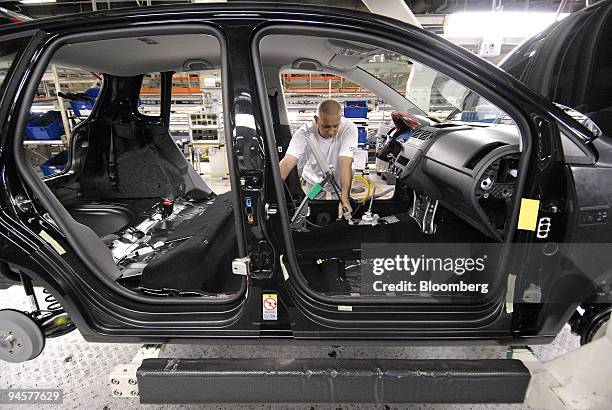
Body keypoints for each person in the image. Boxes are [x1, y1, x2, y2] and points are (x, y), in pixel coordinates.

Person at [279, 99, 358, 219]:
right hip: (315, 180)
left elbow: (345, 164)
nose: (331, 132)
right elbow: (286, 164)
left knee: (342, 210)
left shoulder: (349, 128)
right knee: (315, 210)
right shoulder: (304, 133)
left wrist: (345, 198)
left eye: (335, 126)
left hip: (340, 179)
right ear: (316, 119)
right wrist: (270, 193)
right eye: (326, 126)